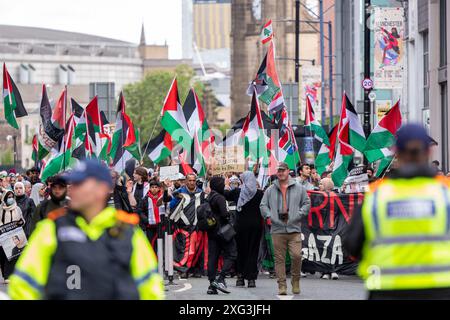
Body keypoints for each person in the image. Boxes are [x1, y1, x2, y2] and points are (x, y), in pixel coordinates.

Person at [8, 160, 164, 300]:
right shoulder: (51, 230)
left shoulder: (128, 234)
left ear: (102, 189)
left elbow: (151, 291)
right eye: (71, 184)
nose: (72, 189)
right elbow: (22, 288)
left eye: (79, 184)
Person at [344, 124, 450, 300]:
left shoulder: (376, 197)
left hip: (386, 289)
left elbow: (352, 246)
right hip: (439, 290)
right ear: (428, 152)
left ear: (396, 153)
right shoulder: (445, 194)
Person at [260, 162, 311, 295]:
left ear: (288, 171)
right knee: (279, 259)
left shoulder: (299, 188)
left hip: (294, 228)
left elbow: (306, 203)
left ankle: (295, 280)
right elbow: (263, 205)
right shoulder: (270, 189)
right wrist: (269, 215)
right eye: (279, 171)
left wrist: (299, 215)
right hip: (277, 229)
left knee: (296, 256)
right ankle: (281, 285)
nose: (280, 173)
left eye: (283, 170)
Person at [224, 172, 263, 288]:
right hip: (255, 226)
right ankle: (251, 279)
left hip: (240, 226)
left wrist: (226, 184)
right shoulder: (260, 193)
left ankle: (240, 277)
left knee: (241, 251)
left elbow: (226, 194)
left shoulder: (237, 192)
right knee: (253, 251)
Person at [169, 173, 207, 279]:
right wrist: (177, 199)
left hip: (196, 225)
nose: (191, 182)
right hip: (182, 225)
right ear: (186, 181)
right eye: (189, 180)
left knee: (195, 248)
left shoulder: (200, 193)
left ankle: (195, 269)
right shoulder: (179, 192)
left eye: (193, 180)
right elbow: (171, 206)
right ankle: (183, 270)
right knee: (183, 249)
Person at [207, 176, 237, 295]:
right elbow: (225, 214)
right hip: (223, 232)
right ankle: (221, 278)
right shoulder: (219, 197)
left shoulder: (208, 197)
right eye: (222, 184)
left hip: (212, 231)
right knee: (232, 253)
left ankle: (211, 285)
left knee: (213, 258)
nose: (224, 186)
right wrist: (230, 215)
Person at [0, 190, 25, 283]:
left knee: (13, 255)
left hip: (15, 235)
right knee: (3, 256)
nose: (10, 199)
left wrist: (20, 223)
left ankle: (10, 275)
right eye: (8, 197)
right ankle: (5, 274)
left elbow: (22, 220)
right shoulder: (1, 209)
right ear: (4, 198)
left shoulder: (17, 208)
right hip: (3, 236)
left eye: (11, 197)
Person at [139, 180, 165, 249]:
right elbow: (140, 211)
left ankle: (161, 258)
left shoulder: (162, 198)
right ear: (149, 188)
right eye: (152, 187)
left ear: (159, 188)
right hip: (150, 226)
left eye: (156, 187)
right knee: (151, 244)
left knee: (161, 244)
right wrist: (146, 220)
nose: (154, 189)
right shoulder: (145, 199)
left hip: (161, 225)